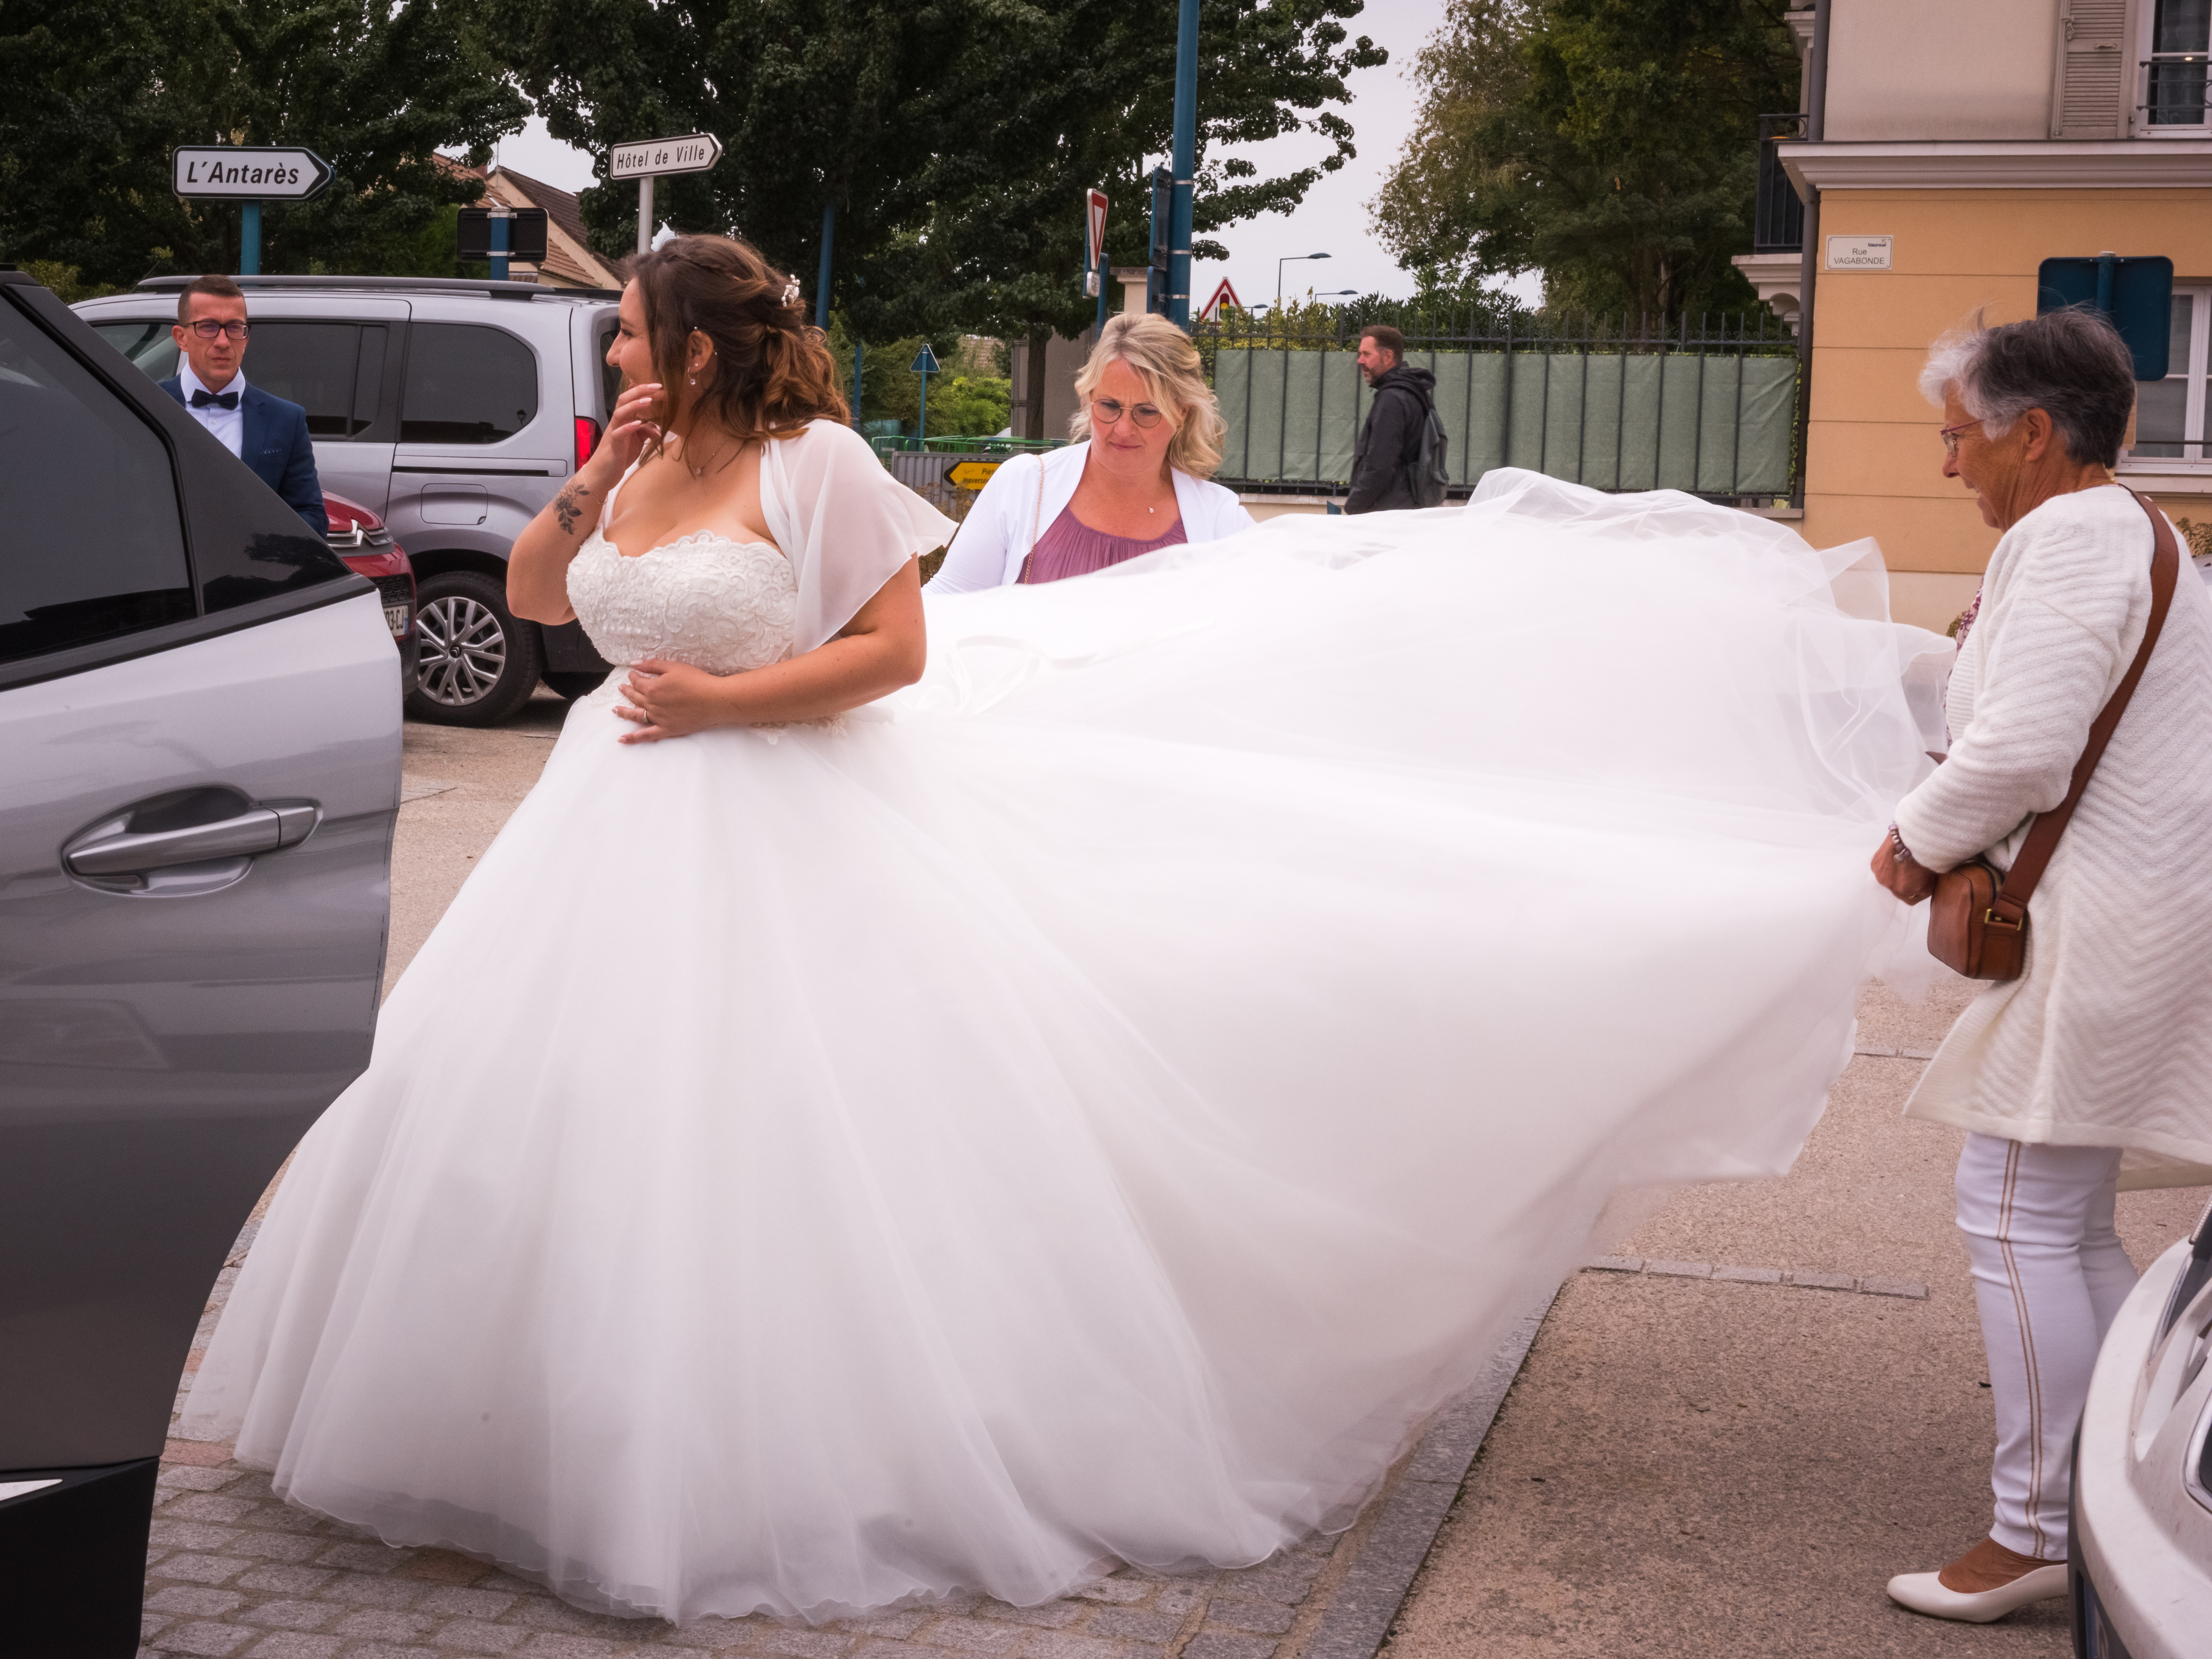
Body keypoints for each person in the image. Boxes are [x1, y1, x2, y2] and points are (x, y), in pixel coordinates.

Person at [184, 232, 1945, 1626]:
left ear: (699, 340)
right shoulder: (637, 454)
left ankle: (774, 1446)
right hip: (599, 829)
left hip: (772, 810)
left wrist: (731, 705)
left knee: (787, 1136)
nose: (619, 351)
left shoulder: (822, 463)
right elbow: (539, 599)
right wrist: (592, 478)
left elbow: (898, 651)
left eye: (633, 331)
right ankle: (536, 1426)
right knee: (559, 1123)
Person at [1873, 309, 2212, 1624]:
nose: (1950, 464)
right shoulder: (2134, 535)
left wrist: (1912, 843)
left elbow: (2022, 749)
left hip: (2095, 926)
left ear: (2030, 431)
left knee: (2010, 1211)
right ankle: (2110, 1499)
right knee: (2060, 1221)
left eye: (1959, 436)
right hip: (2140, 915)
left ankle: (2033, 1530)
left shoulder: (2069, 538)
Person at [925, 312, 1252, 591]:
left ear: (1182, 413)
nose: (1123, 429)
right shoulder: (1023, 485)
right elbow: (947, 604)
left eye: (1147, 411)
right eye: (1109, 406)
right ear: (1087, 398)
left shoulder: (1223, 522)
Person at [158, 273, 327, 536]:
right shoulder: (148, 407)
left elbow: (312, 516)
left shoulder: (287, 420)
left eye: (235, 328)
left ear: (246, 339)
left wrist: (254, 549)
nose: (224, 342)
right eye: (208, 327)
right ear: (181, 338)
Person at [1345, 325, 1436, 515]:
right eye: (1360, 354)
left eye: (1366, 354)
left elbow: (1379, 465)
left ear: (1388, 357)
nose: (1360, 361)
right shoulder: (1413, 392)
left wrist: (1354, 507)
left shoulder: (1392, 399)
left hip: (1387, 513)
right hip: (1406, 508)